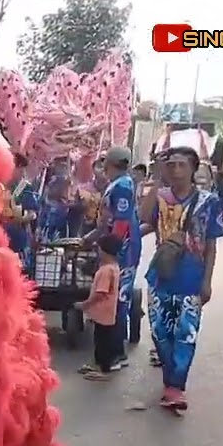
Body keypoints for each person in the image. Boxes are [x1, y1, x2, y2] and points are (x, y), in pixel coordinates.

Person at [143, 146, 223, 411]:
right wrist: (156, 179)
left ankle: (176, 387)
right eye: (172, 165)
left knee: (186, 334)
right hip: (160, 276)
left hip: (191, 276)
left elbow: (211, 244)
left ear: (192, 169)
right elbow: (144, 218)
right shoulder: (161, 196)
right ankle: (170, 380)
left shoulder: (207, 201)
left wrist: (207, 281)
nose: (176, 171)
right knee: (159, 332)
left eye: (182, 165)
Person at [84, 146, 139, 368]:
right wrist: (95, 235)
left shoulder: (123, 185)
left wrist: (110, 249)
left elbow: (121, 222)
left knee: (117, 300)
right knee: (113, 298)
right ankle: (116, 351)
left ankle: (115, 354)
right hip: (116, 246)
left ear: (111, 163)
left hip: (123, 249)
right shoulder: (116, 184)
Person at [76, 234, 123, 380]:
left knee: (102, 342)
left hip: (102, 313)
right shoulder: (114, 267)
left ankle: (104, 370)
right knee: (102, 339)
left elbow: (100, 294)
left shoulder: (105, 271)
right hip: (108, 313)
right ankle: (99, 366)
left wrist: (84, 305)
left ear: (104, 251)